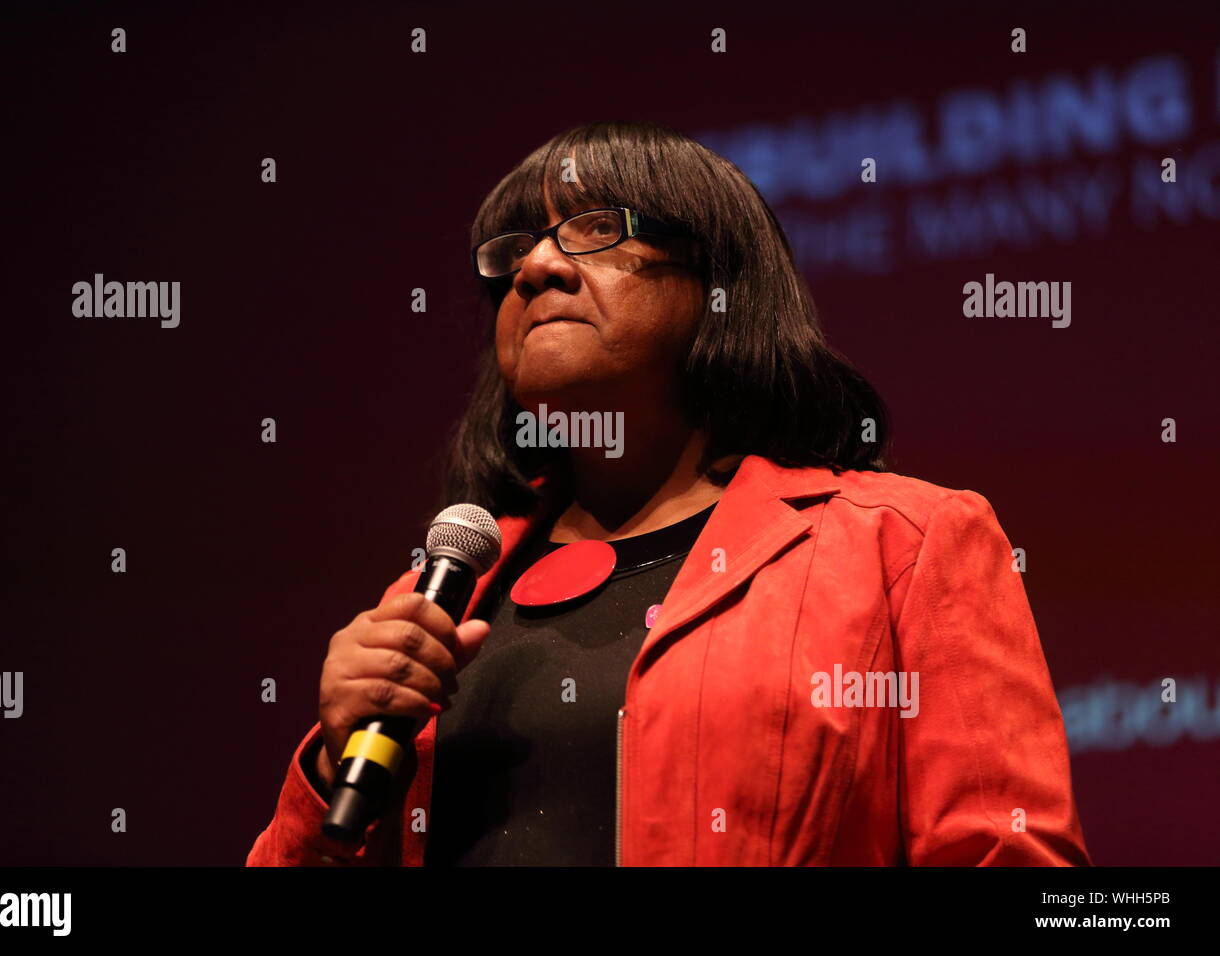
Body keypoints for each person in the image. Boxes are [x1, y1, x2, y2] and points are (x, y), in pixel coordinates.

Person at [246, 121, 1092, 866]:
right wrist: (327, 770)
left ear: (721, 284)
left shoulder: (902, 546)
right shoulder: (444, 592)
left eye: (593, 228)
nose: (536, 267)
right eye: (512, 253)